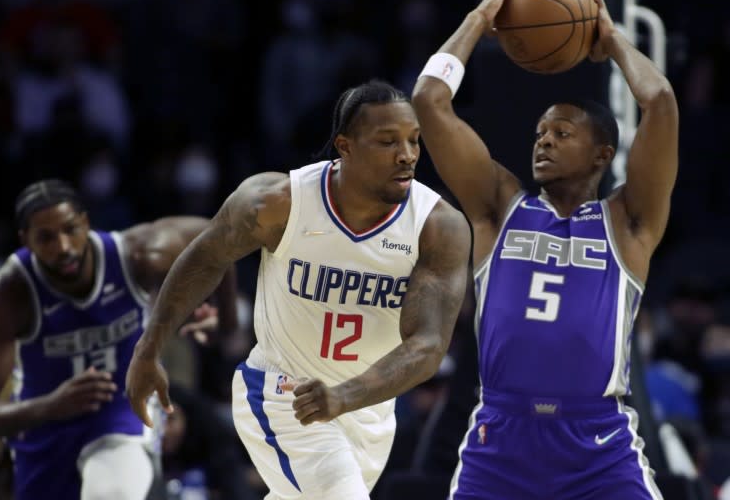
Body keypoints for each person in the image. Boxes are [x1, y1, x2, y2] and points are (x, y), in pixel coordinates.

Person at [126, 79, 472, 499]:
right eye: (387, 142)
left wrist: (345, 397)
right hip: (282, 393)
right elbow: (204, 260)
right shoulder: (277, 202)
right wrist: (148, 349)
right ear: (345, 146)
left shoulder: (437, 226)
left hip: (366, 408)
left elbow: (429, 346)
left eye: (414, 141)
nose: (407, 155)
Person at [412, 0, 679, 500]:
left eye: (562, 132)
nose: (544, 141)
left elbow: (659, 103)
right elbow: (428, 100)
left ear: (604, 153)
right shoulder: (497, 207)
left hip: (598, 444)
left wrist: (612, 37)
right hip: (500, 440)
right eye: (540, 132)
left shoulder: (628, 222)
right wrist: (478, 18)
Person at [0, 179, 238, 500]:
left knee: (112, 493)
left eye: (70, 229)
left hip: (122, 410)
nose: (63, 246)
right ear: (26, 241)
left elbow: (221, 236)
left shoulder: (138, 254)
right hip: (45, 423)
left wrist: (226, 322)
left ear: (86, 223)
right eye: (46, 238)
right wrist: (50, 406)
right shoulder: (11, 290)